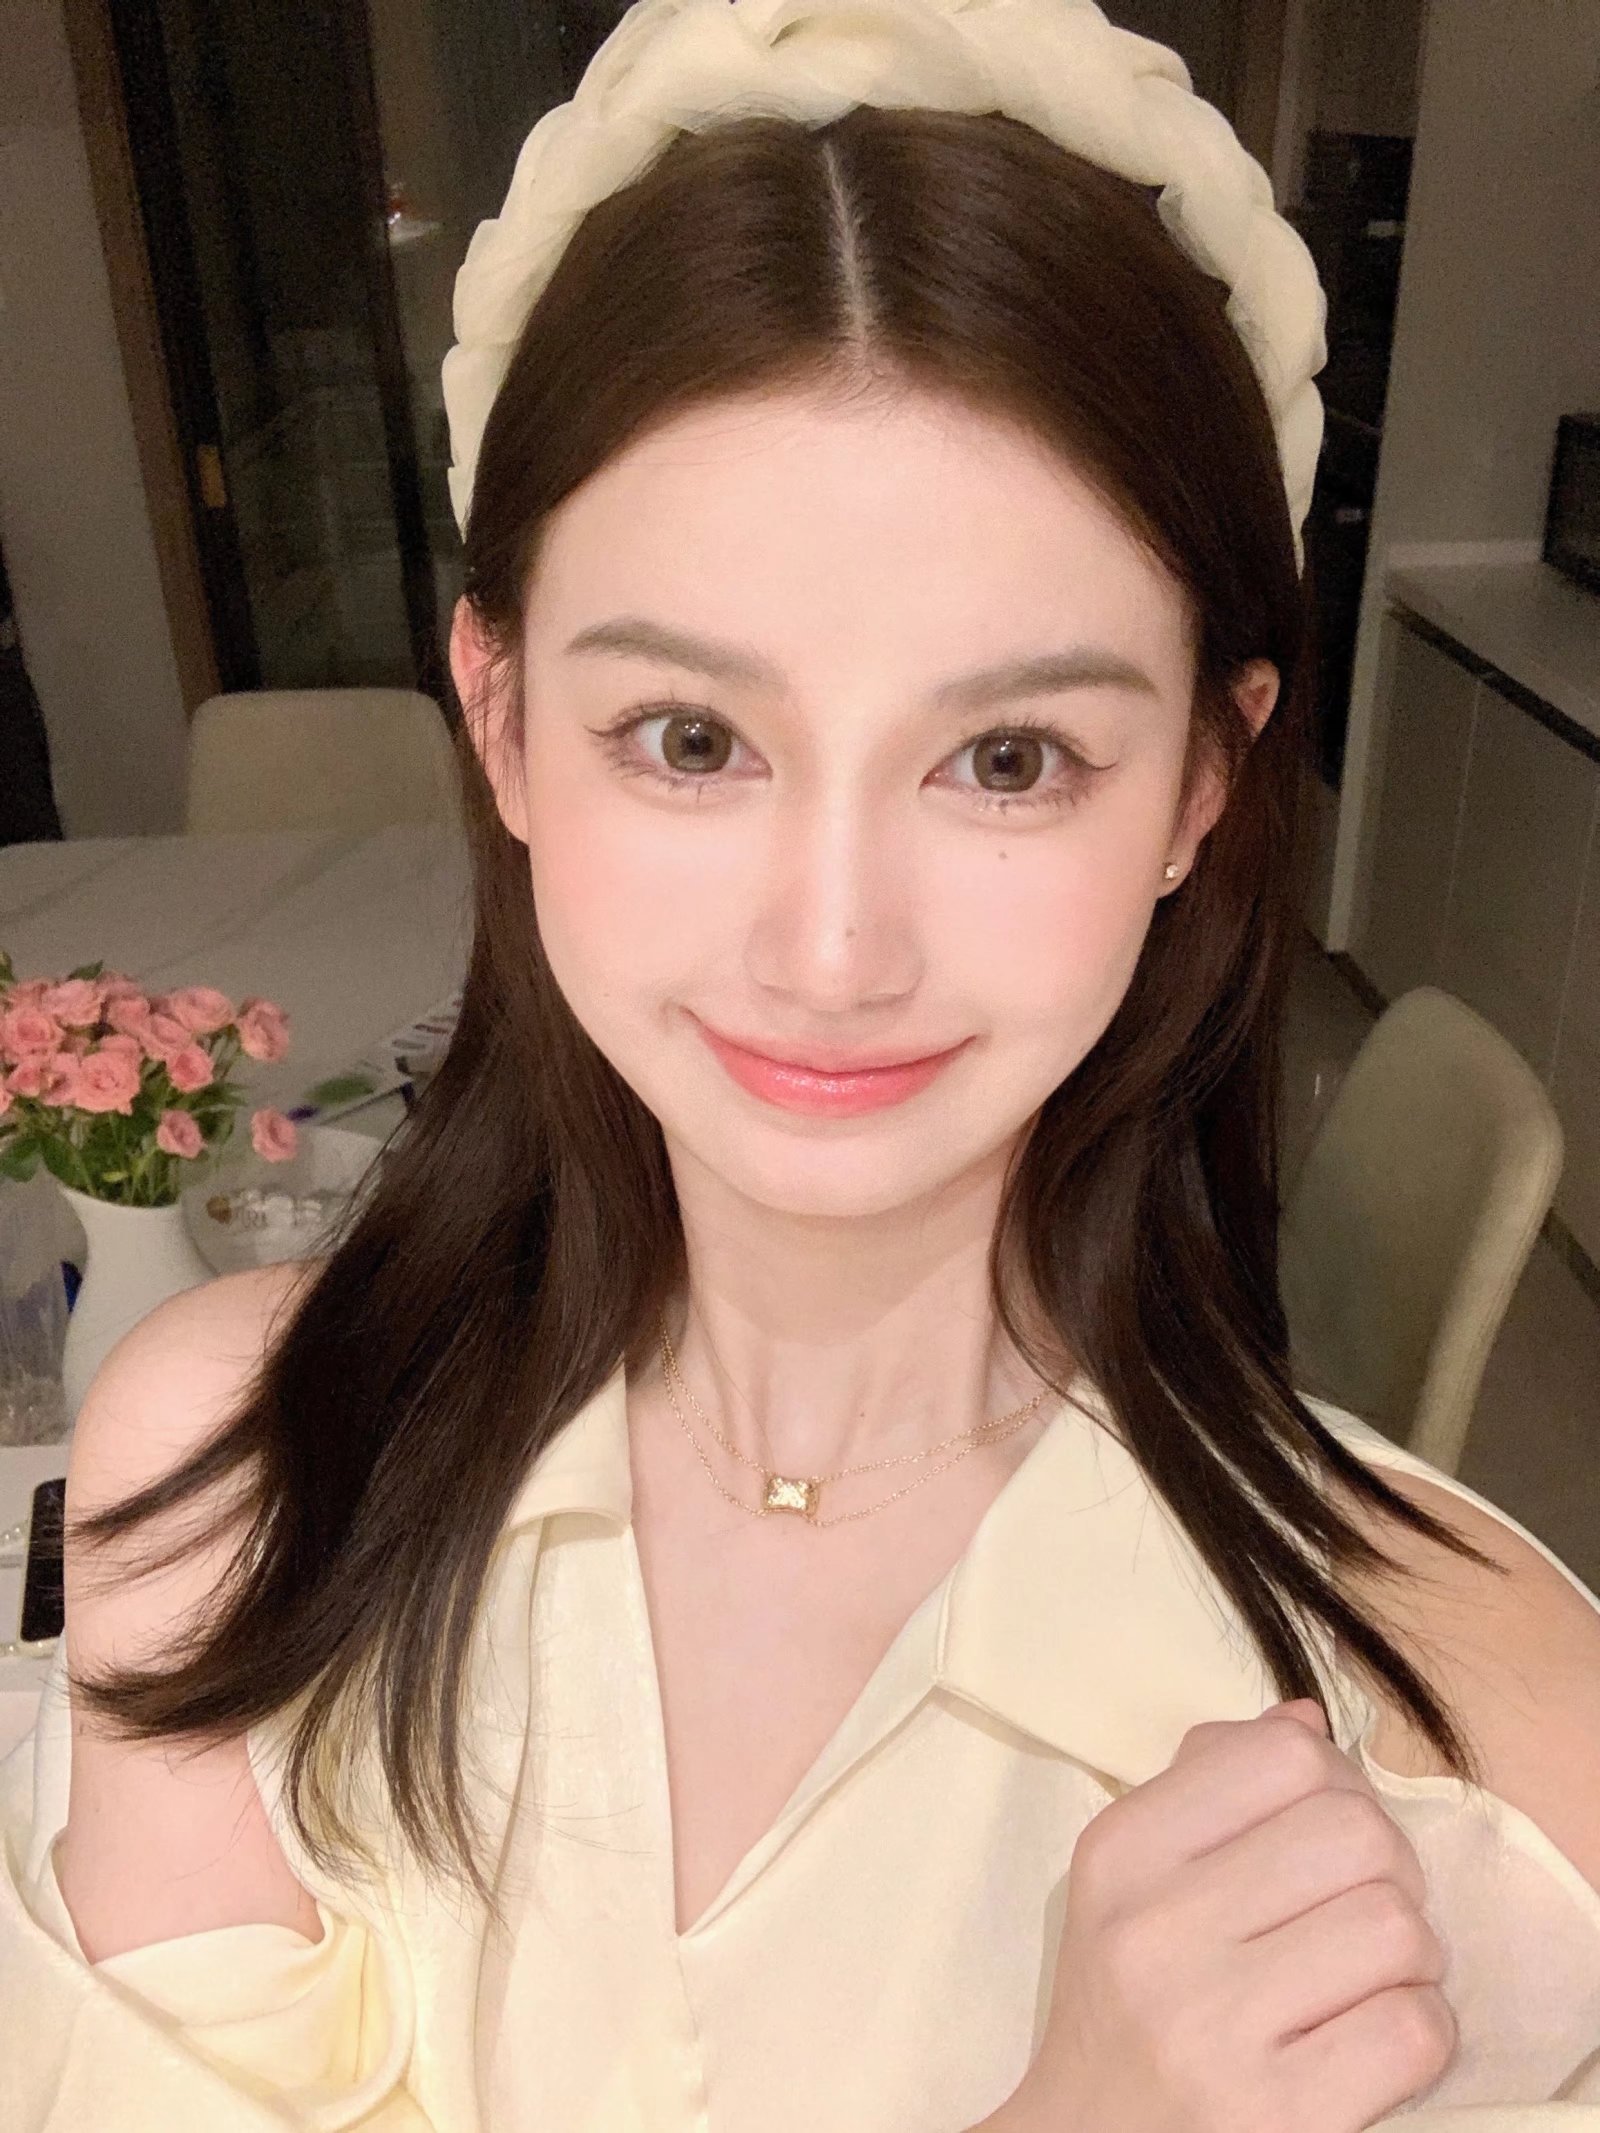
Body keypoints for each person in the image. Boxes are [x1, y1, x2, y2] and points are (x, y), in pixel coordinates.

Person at [4, 0, 1600, 2126]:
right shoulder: (227, 1478)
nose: (832, 949)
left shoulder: (1484, 1739)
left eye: (1008, 757)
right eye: (690, 737)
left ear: (1201, 787)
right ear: (501, 720)